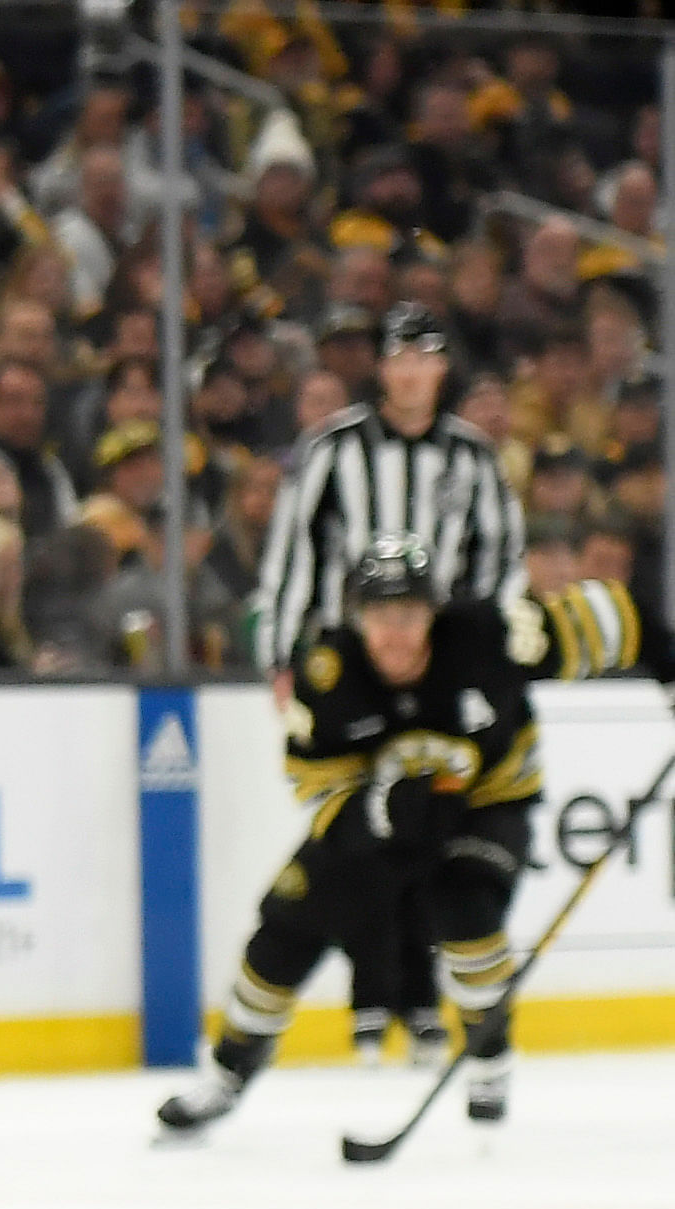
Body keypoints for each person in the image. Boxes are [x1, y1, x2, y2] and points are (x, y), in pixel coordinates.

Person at [156, 537, 651, 1140]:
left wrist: (669, 658)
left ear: (433, 613)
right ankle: (229, 1073)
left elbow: (608, 617)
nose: (396, 632)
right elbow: (318, 788)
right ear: (357, 617)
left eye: (410, 614)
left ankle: (489, 1058)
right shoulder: (327, 674)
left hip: (487, 804)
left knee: (466, 910)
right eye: (381, 615)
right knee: (283, 930)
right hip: (381, 827)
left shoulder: (490, 633)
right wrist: (379, 812)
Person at [257, 304, 527, 1062]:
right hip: (354, 666)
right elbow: (295, 556)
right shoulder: (334, 449)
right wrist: (285, 658)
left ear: (442, 368)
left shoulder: (472, 457)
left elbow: (499, 563)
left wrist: (488, 659)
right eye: (399, 357)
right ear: (382, 367)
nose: (412, 372)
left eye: (426, 358)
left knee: (431, 826)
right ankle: (374, 995)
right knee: (358, 834)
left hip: (436, 669)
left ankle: (421, 996)